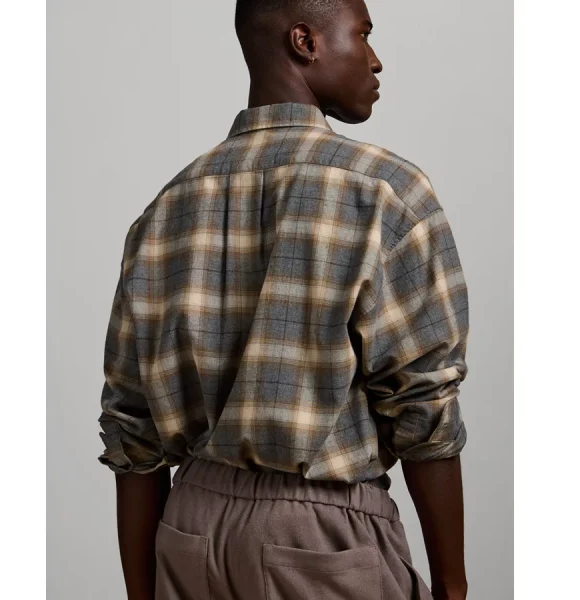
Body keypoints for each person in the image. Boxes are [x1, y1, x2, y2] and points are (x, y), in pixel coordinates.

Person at [97, 1, 470, 599]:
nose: (376, 60)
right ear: (305, 41)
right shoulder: (385, 191)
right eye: (363, 35)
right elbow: (423, 405)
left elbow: (132, 429)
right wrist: (453, 584)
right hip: (319, 535)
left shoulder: (167, 207)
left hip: (189, 531)